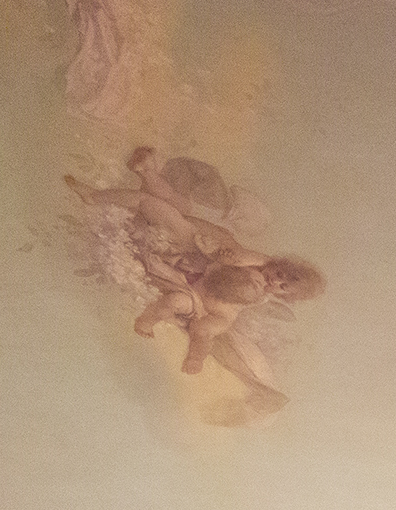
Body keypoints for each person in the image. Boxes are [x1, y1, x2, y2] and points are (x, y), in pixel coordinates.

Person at [66, 146, 321, 413]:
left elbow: (224, 304)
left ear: (284, 295)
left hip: (208, 291)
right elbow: (233, 257)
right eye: (279, 274)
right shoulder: (260, 260)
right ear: (279, 265)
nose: (273, 281)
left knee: (208, 328)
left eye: (282, 288)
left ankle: (199, 351)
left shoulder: (249, 297)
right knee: (164, 206)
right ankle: (100, 193)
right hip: (197, 251)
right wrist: (225, 256)